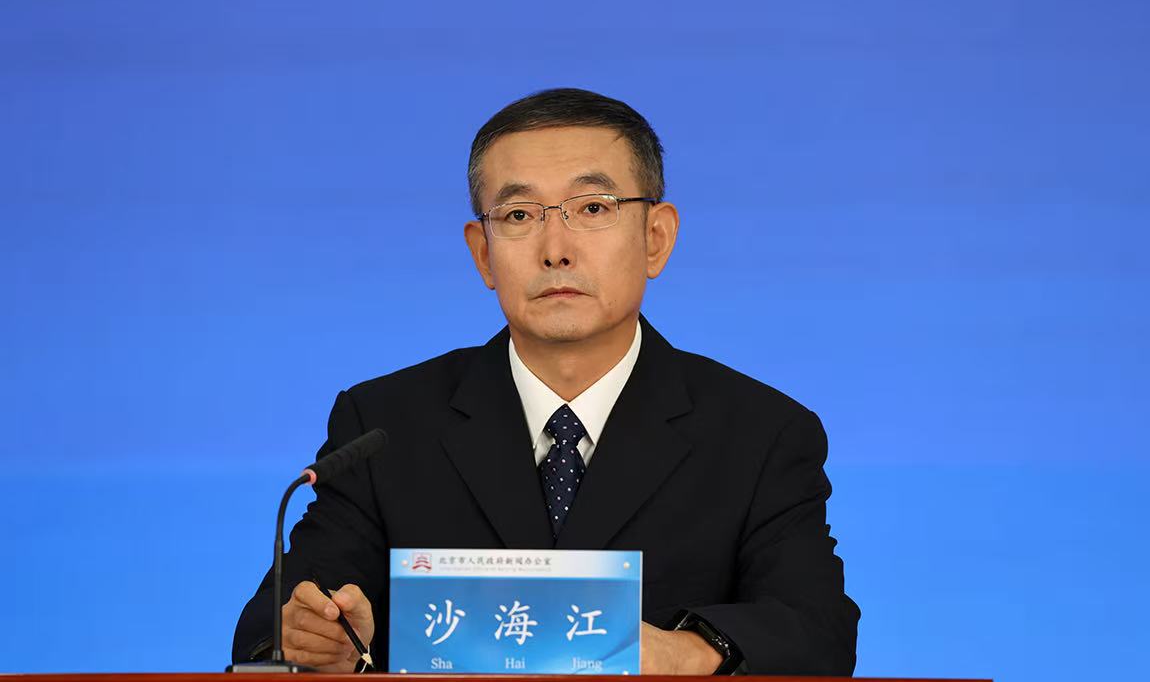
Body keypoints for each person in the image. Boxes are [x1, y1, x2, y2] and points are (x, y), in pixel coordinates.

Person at [232, 88, 860, 674]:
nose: (555, 249)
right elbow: (274, 626)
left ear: (656, 238)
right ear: (483, 253)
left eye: (593, 208)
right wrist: (317, 642)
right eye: (519, 214)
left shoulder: (760, 434)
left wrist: (685, 653)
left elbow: (817, 627)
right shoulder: (385, 427)